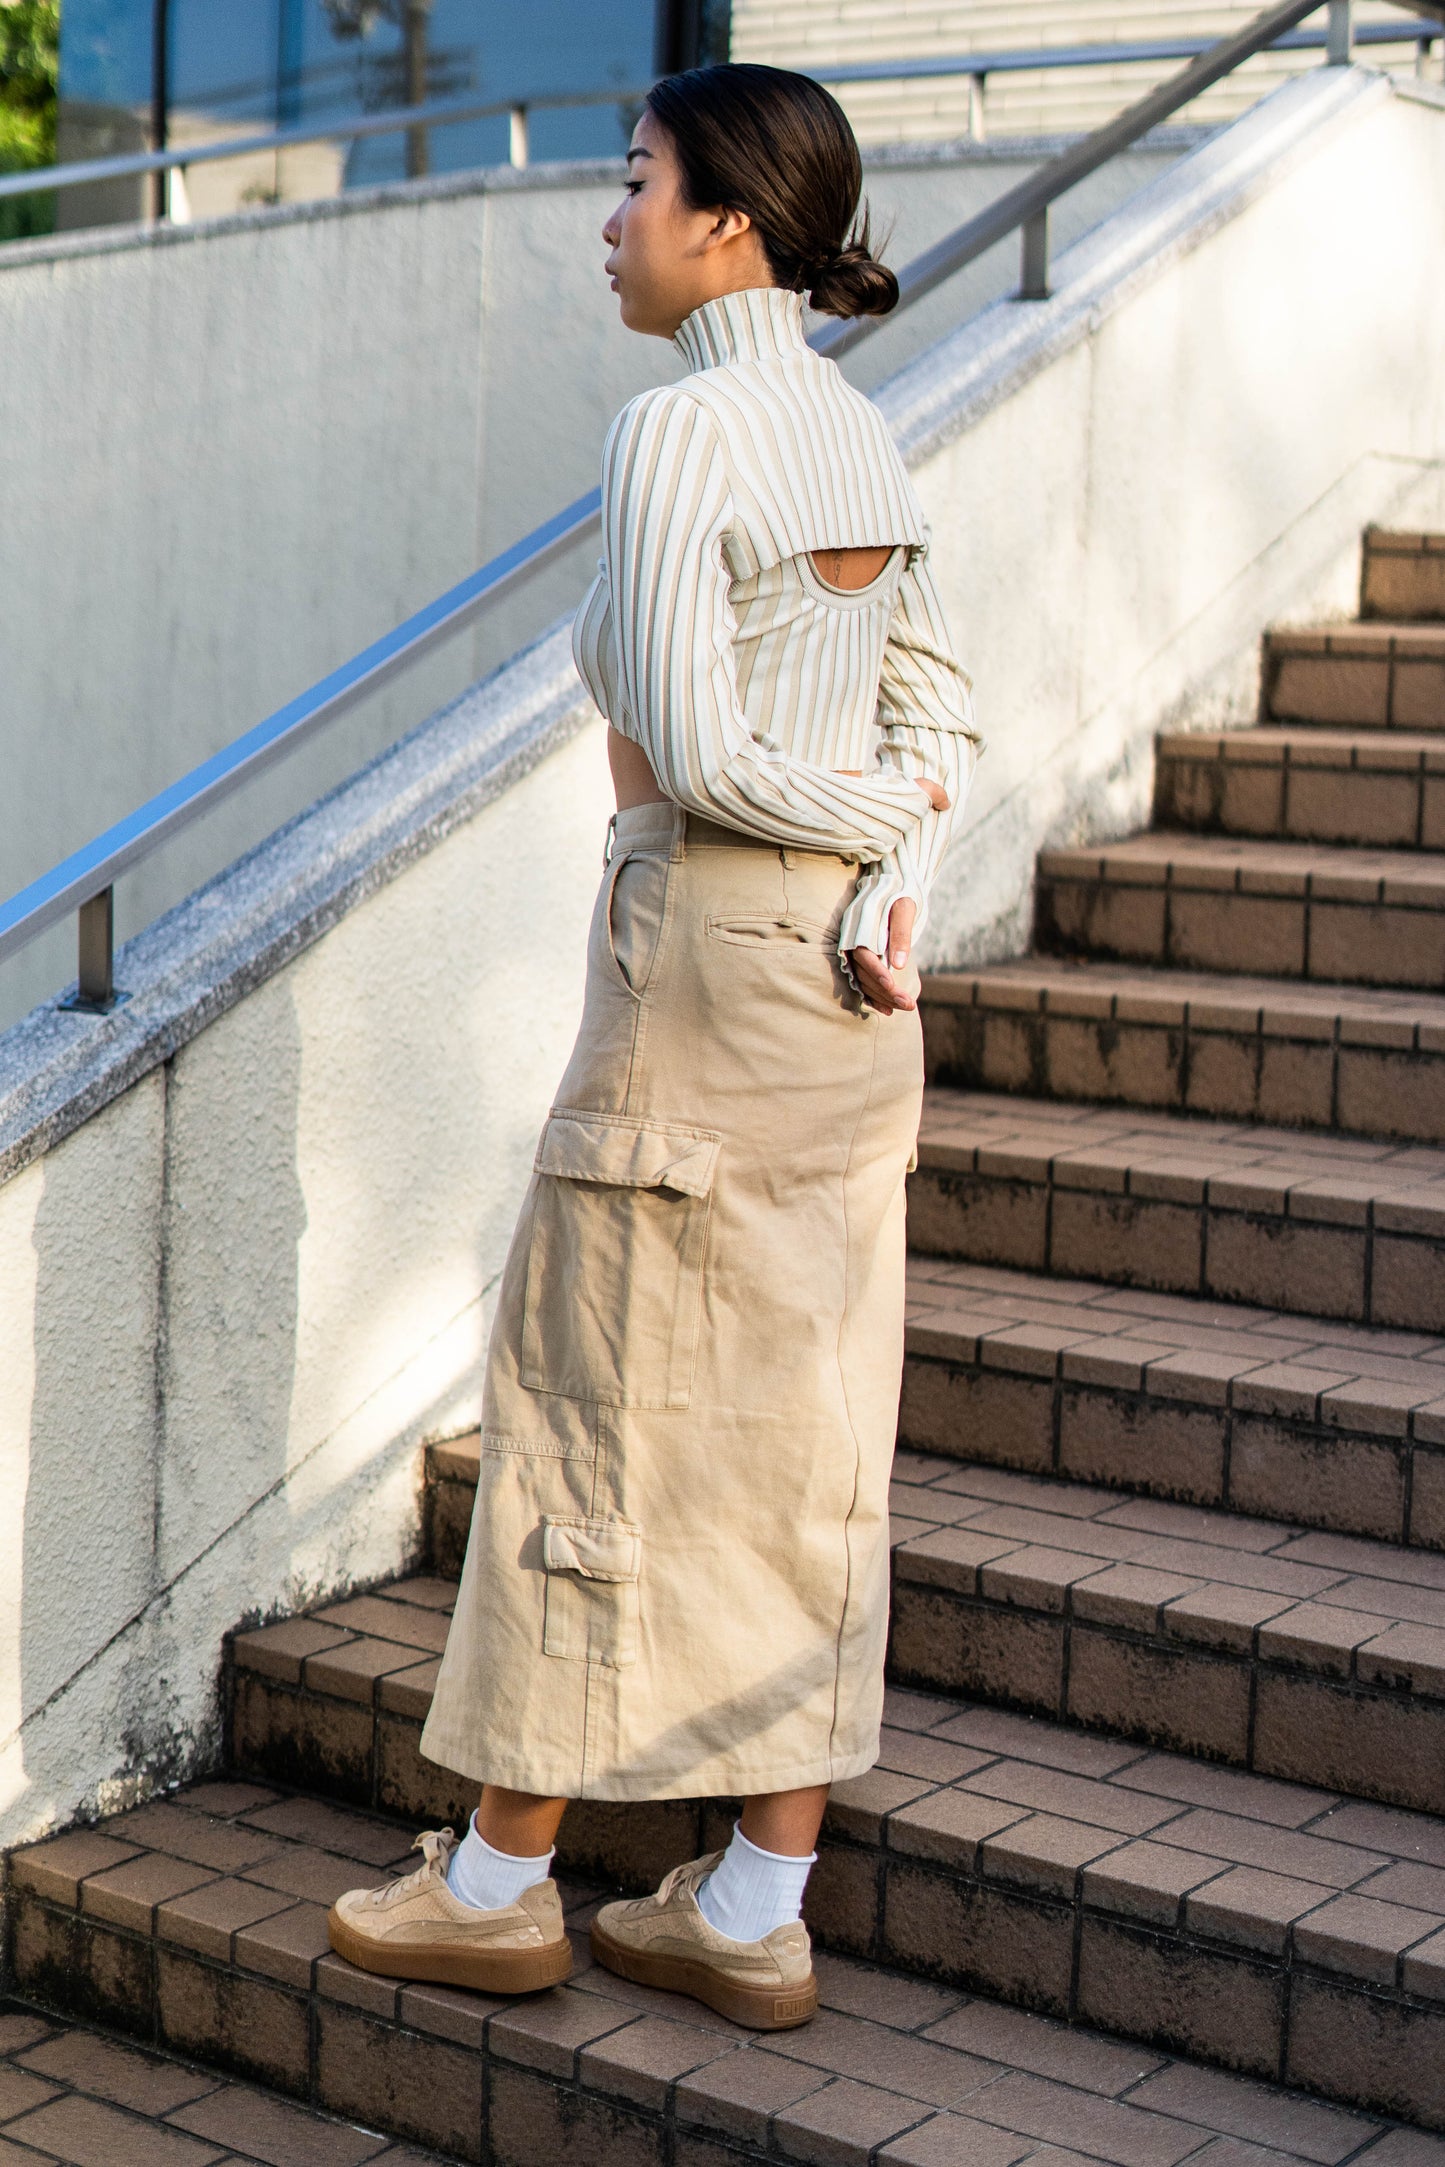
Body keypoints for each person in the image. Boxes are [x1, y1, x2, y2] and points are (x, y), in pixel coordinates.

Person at [328, 59, 980, 2034]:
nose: (609, 218)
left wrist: (859, 834)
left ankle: (502, 1878)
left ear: (726, 224)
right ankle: (756, 1896)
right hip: (850, 1003)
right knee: (801, 1429)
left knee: (584, 1394)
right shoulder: (863, 442)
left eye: (634, 181)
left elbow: (691, 752)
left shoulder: (682, 428)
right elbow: (947, 720)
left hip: (703, 957)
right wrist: (897, 868)